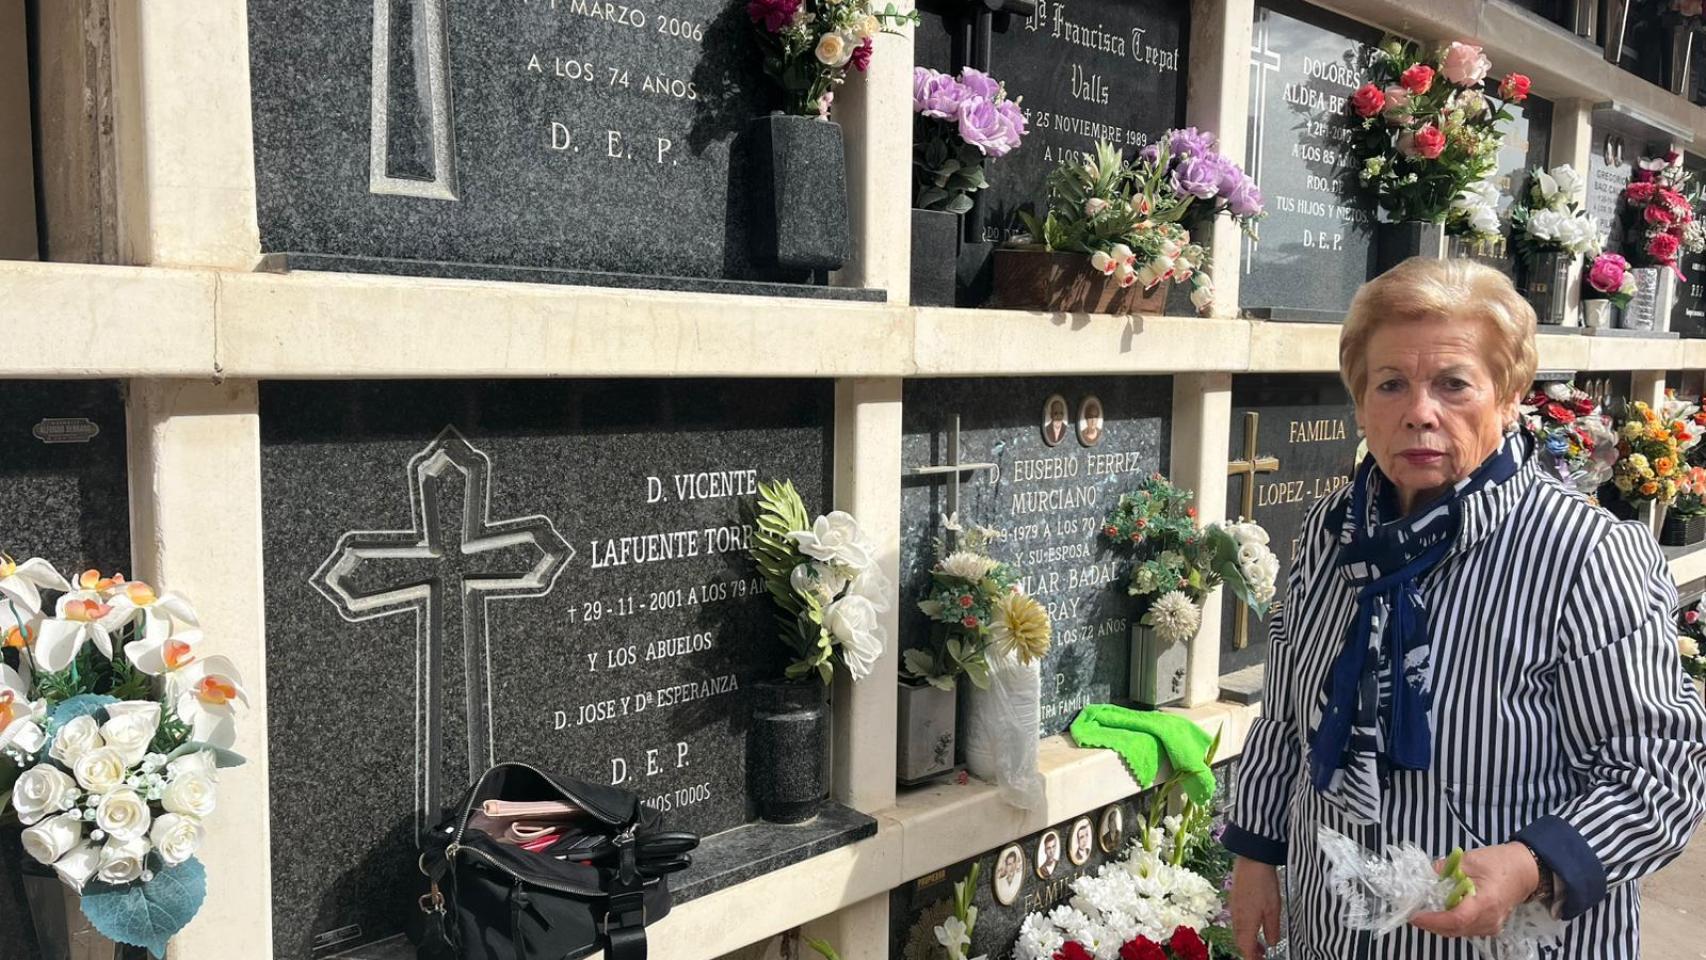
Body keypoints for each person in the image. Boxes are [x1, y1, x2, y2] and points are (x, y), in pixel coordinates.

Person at [1223, 258, 1706, 960]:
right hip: (1338, 927)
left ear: (1508, 399)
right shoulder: (1333, 532)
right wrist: (1257, 854)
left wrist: (1531, 863)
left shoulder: (1584, 555)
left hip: (1510, 940)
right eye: (1391, 384)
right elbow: (1287, 714)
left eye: (1454, 384)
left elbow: (1660, 770)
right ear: (1361, 403)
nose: (1419, 411)